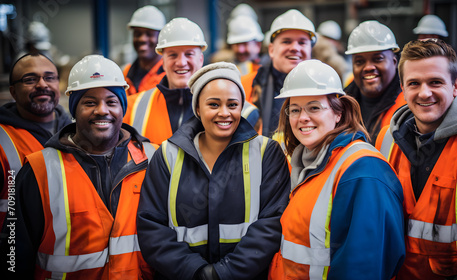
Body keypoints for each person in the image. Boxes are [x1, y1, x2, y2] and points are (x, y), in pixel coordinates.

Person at [5, 55, 157, 279]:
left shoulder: (153, 160)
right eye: (89, 102)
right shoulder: (39, 170)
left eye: (112, 101)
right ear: (74, 110)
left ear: (122, 108)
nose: (101, 110)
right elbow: (14, 254)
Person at [137, 62, 290, 279]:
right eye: (214, 104)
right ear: (198, 108)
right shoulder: (167, 155)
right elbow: (152, 227)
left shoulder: (266, 152)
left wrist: (223, 274)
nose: (224, 113)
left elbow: (272, 223)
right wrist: (197, 272)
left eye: (233, 104)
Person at [375, 39, 457, 279]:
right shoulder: (385, 140)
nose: (424, 92)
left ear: (456, 86)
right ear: (402, 87)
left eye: (435, 82)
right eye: (414, 83)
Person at [269, 59, 405, 279]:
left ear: (338, 112)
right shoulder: (304, 163)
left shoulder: (362, 171)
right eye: (295, 110)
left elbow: (364, 267)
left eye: (314, 107)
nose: (303, 118)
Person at [124, 17, 259, 144]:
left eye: (189, 54)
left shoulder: (241, 111)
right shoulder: (134, 107)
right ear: (163, 62)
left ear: (200, 60)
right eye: (172, 55)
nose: (181, 62)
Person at [0, 53, 72, 231]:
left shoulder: (76, 131)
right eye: (30, 79)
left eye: (49, 78)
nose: (42, 84)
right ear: (13, 92)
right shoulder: (3, 140)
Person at [241, 9, 316, 137]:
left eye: (302, 42)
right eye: (286, 41)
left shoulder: (325, 88)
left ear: (310, 49)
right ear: (271, 50)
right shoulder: (246, 85)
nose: (295, 48)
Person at [344, 20, 406, 143]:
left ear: (394, 62)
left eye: (378, 59)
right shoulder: (342, 104)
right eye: (359, 62)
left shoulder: (409, 104)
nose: (368, 67)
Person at [413, 14, 457, 98]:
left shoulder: (451, 57)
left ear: (434, 36)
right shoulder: (429, 55)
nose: (419, 40)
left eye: (423, 36)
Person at [123, 5, 166, 96]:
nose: (142, 39)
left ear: (160, 37)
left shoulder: (168, 75)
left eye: (149, 34)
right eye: (138, 34)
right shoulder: (126, 73)